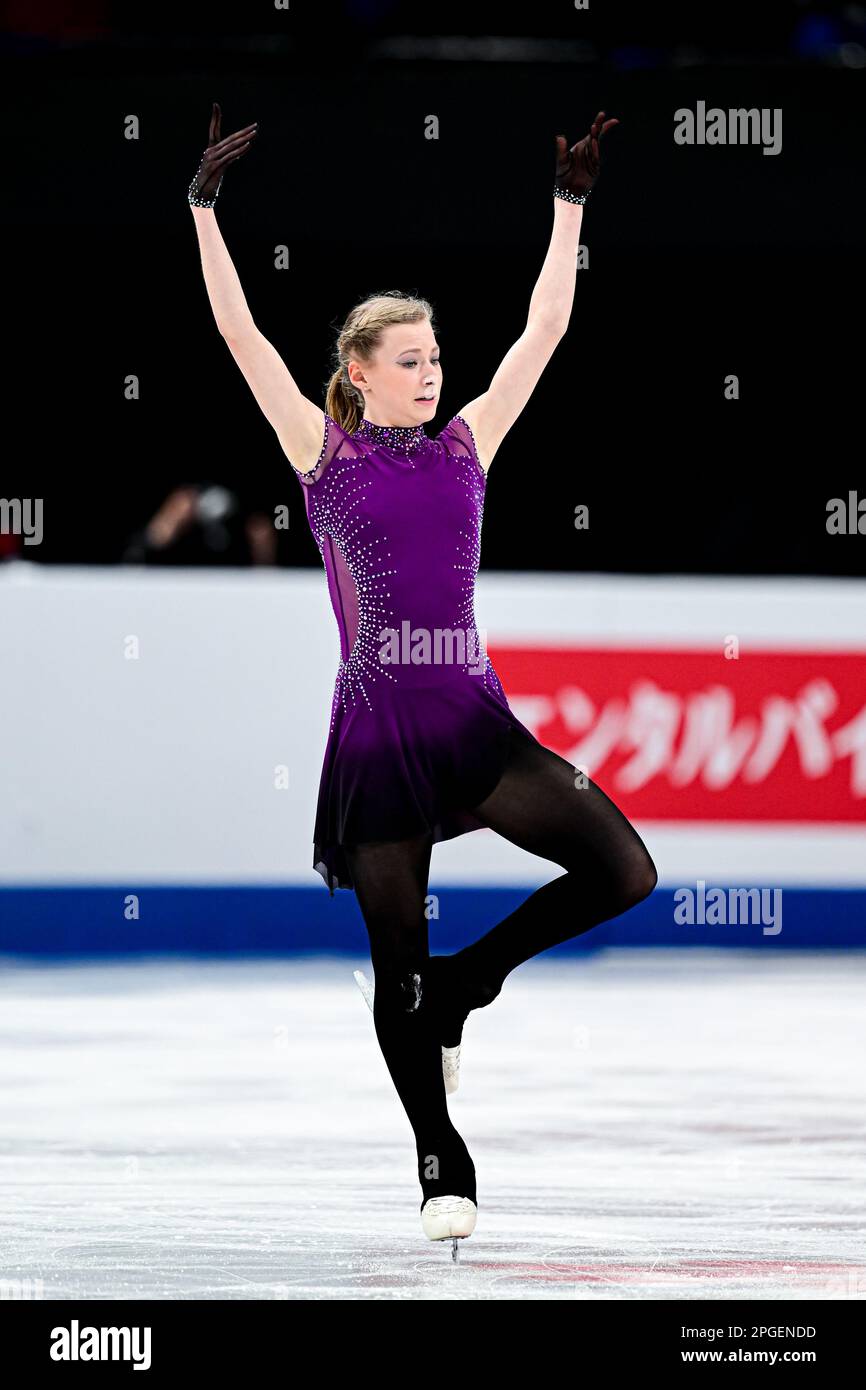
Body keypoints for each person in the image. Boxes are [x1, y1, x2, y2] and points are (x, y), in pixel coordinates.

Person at [188, 104, 656, 1248]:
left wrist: (569, 204)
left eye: (437, 358)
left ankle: (471, 982)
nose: (432, 374)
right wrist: (202, 210)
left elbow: (543, 330)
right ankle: (438, 1154)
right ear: (358, 372)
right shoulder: (320, 452)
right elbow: (242, 336)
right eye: (410, 361)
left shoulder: (468, 445)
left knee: (622, 868)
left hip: (474, 726)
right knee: (392, 961)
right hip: (375, 741)